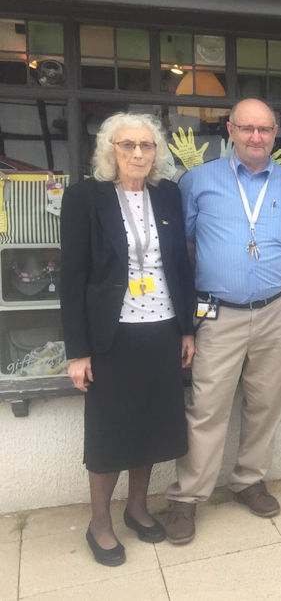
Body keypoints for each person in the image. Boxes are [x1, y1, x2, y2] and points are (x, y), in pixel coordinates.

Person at [163, 98, 281, 544]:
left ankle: (248, 480)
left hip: (276, 309)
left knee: (267, 401)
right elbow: (184, 246)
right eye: (246, 128)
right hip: (218, 311)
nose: (255, 137)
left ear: (275, 131)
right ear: (230, 129)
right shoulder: (198, 180)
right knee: (207, 405)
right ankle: (187, 497)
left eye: (264, 129)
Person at [60, 112, 195, 566]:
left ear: (156, 153)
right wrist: (77, 350)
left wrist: (187, 328)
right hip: (110, 336)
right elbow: (73, 276)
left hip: (162, 328)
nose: (138, 153)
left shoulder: (168, 194)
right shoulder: (85, 198)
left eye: (147, 145)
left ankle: (137, 507)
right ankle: (100, 522)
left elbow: (180, 266)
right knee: (110, 430)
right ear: (110, 150)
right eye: (127, 145)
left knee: (152, 423)